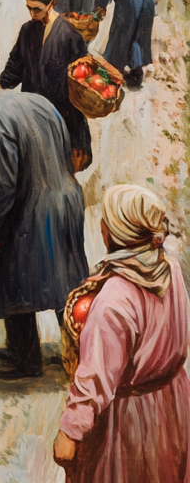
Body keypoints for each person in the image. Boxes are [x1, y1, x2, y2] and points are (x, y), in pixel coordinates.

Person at [0, 43, 88, 379]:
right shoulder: (36, 100)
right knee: (68, 282)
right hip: (68, 203)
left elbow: (1, 185)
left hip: (35, 211)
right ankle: (85, 355)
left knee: (13, 276)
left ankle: (26, 357)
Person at [53, 185, 189, 483]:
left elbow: (95, 378)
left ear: (113, 233)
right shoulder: (171, 269)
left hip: (128, 424)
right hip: (171, 406)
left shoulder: (114, 299)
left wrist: (71, 432)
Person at [0, 0, 93, 172]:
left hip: (60, 121)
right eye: (29, 8)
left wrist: (79, 140)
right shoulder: (27, 31)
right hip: (31, 117)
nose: (32, 14)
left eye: (37, 9)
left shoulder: (71, 37)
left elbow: (79, 92)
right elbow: (15, 66)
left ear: (52, 3)